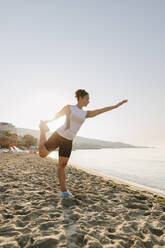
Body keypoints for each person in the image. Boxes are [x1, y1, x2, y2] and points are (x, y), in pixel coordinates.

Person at [38, 89, 128, 198]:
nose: (88, 101)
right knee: (42, 154)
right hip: (59, 135)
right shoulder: (69, 107)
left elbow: (101, 110)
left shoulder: (85, 114)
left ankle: (64, 191)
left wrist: (116, 106)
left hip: (68, 140)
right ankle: (43, 131)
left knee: (62, 165)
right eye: (87, 99)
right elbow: (57, 115)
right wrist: (46, 122)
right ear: (80, 98)